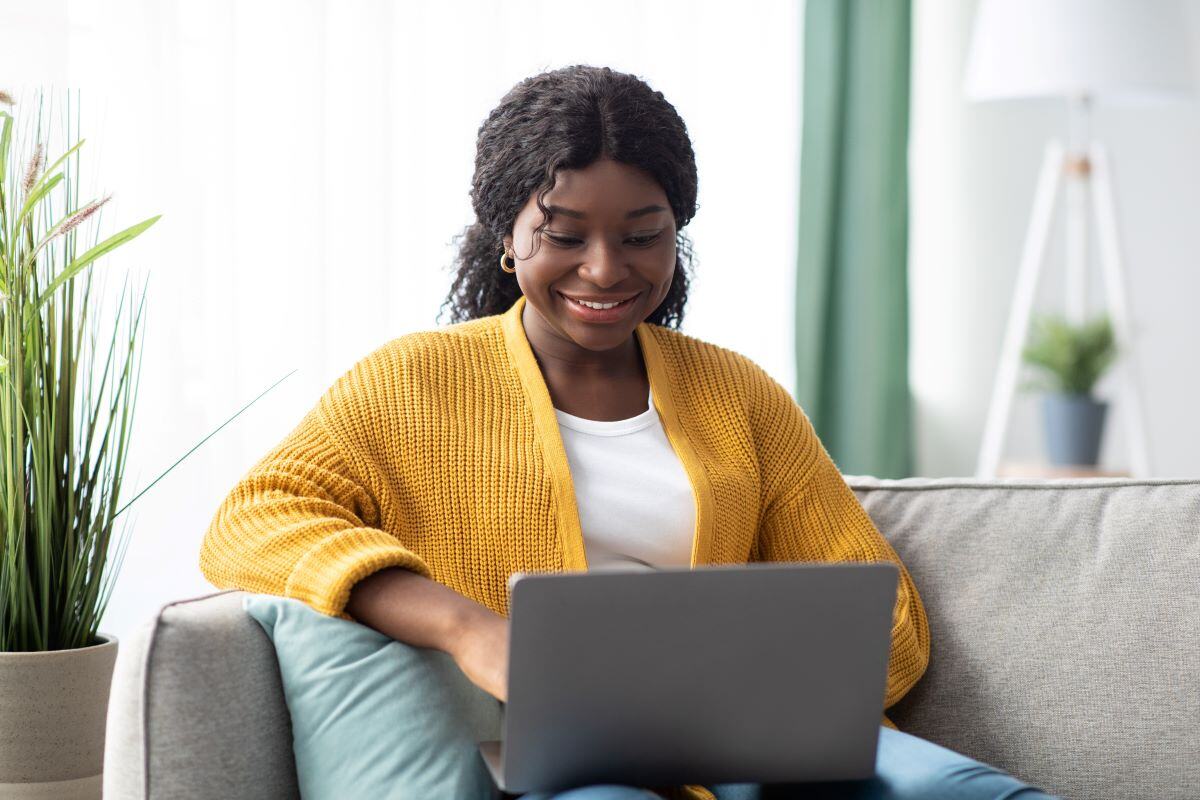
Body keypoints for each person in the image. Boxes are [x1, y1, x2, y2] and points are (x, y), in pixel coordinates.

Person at [199, 64, 1061, 800]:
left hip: (759, 746)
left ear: (675, 235)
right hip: (573, 763)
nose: (606, 270)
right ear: (507, 236)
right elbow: (253, 520)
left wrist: (770, 700)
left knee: (964, 791)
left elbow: (887, 610)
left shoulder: (738, 393)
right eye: (564, 236)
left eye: (642, 236)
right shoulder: (414, 381)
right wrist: (469, 629)